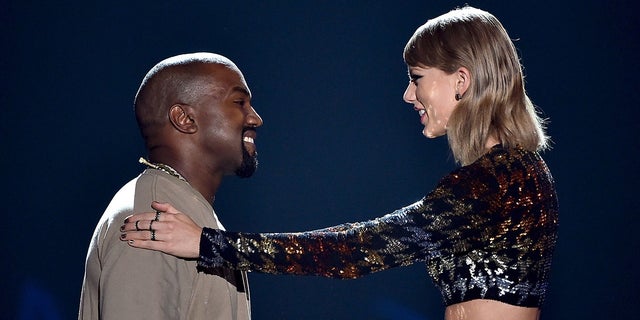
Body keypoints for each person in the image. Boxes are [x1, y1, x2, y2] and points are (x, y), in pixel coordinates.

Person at [120, 6, 558, 320]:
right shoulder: (512, 173)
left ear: (461, 79)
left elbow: (355, 250)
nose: (409, 95)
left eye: (417, 78)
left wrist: (208, 244)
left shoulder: (499, 178)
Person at [79, 52, 263, 319]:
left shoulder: (187, 219)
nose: (255, 119)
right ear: (185, 118)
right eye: (239, 102)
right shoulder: (150, 222)